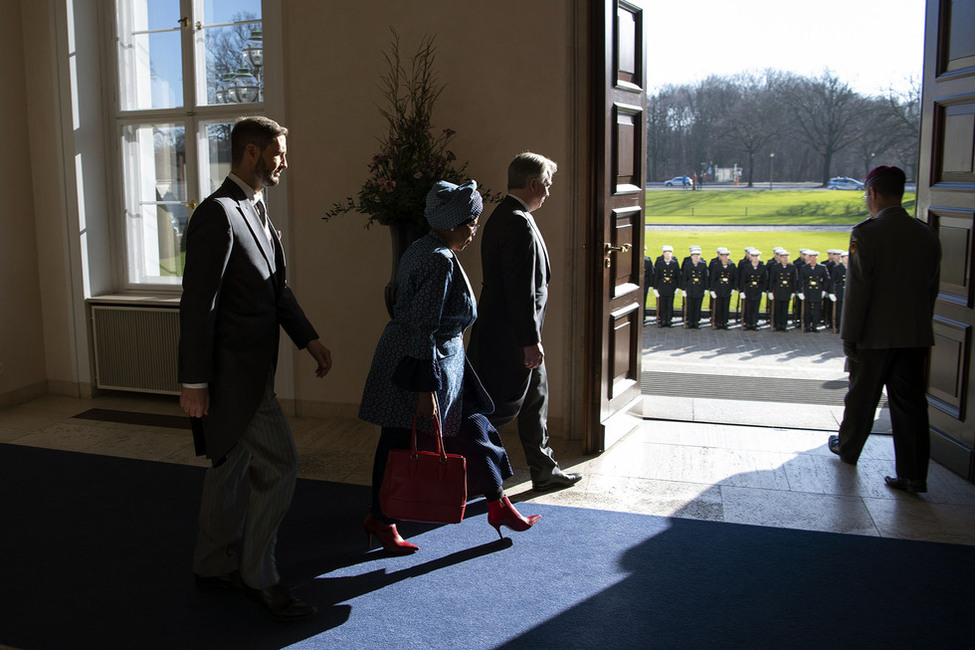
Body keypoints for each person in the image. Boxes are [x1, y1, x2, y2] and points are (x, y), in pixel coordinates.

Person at [178, 116, 333, 621]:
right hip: (231, 377)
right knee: (282, 464)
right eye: (279, 153)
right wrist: (194, 382)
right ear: (251, 151)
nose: (284, 162)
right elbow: (198, 304)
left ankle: (210, 563)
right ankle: (257, 576)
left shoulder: (258, 210)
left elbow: (275, 290)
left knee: (231, 465)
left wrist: (308, 338)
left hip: (252, 370)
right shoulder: (217, 214)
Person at [360, 180, 540, 553]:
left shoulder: (424, 247)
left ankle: (497, 504)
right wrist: (425, 390)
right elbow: (423, 325)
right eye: (472, 223)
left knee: (474, 427)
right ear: (455, 223)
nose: (474, 231)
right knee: (397, 441)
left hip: (438, 362)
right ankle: (381, 519)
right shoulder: (439, 259)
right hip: (419, 365)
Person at [468, 153, 582, 492]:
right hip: (511, 336)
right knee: (497, 407)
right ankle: (473, 467)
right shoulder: (517, 221)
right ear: (532, 183)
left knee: (535, 401)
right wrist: (530, 340)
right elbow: (522, 289)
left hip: (508, 332)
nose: (548, 192)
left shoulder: (505, 214)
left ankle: (544, 468)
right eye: (546, 185)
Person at [829, 166, 941, 493]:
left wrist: (849, 336)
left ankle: (848, 449)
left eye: (866, 194)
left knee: (862, 396)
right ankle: (913, 473)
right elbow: (931, 288)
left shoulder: (866, 234)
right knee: (910, 405)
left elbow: (858, 293)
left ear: (873, 193)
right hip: (914, 334)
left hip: (874, 336)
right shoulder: (925, 233)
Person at [797, 250, 830, 332]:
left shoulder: (822, 267)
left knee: (817, 309)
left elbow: (827, 279)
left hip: (818, 290)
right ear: (808, 258)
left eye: (814, 257)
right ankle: (807, 325)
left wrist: (824, 290)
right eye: (811, 257)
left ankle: (815, 326)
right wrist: (800, 291)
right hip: (807, 290)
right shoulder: (804, 267)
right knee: (807, 309)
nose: (813, 259)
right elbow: (801, 280)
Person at [767, 250, 796, 331]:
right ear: (780, 258)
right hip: (778, 290)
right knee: (777, 308)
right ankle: (777, 324)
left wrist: (793, 291)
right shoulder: (775, 267)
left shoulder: (792, 267)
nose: (785, 259)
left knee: (785, 309)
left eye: (786, 257)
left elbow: (794, 280)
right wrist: (770, 291)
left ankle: (784, 325)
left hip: (787, 290)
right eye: (783, 257)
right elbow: (772, 280)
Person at [653, 245, 681, 327]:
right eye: (666, 253)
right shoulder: (659, 263)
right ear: (663, 254)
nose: (667, 255)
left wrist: (678, 287)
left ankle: (668, 320)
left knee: (669, 304)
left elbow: (678, 276)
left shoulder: (675, 264)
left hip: (671, 287)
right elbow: (656, 276)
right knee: (662, 304)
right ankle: (662, 319)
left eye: (669, 253)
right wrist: (655, 288)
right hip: (662, 287)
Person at [739, 249, 767, 331]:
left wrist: (763, 290)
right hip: (748, 290)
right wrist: (742, 291)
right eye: (754, 257)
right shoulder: (746, 267)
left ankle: (754, 323)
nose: (755, 258)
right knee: (748, 307)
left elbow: (764, 280)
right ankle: (748, 323)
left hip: (758, 290)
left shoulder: (762, 267)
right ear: (750, 257)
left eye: (757, 257)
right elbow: (743, 280)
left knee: (756, 307)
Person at [709, 247, 736, 330]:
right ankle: (718, 322)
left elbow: (734, 278)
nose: (725, 258)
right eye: (723, 256)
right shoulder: (716, 266)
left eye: (726, 256)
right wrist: (712, 289)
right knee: (718, 306)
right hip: (719, 288)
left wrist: (733, 288)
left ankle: (724, 322)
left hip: (727, 288)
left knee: (726, 306)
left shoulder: (732, 265)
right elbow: (713, 278)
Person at [681, 247, 708, 328]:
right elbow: (684, 277)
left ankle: (696, 321)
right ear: (691, 256)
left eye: (697, 255)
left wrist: (706, 288)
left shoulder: (703, 265)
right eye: (694, 255)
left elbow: (705, 277)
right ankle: (690, 321)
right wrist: (683, 288)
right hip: (690, 288)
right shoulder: (687, 265)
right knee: (690, 305)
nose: (696, 257)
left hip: (700, 287)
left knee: (698, 305)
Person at [830, 251, 848, 331]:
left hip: (848, 291)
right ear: (842, 259)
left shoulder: (852, 268)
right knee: (839, 309)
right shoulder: (837, 268)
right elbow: (832, 280)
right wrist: (831, 292)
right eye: (845, 258)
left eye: (848, 258)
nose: (847, 260)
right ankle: (839, 326)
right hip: (840, 290)